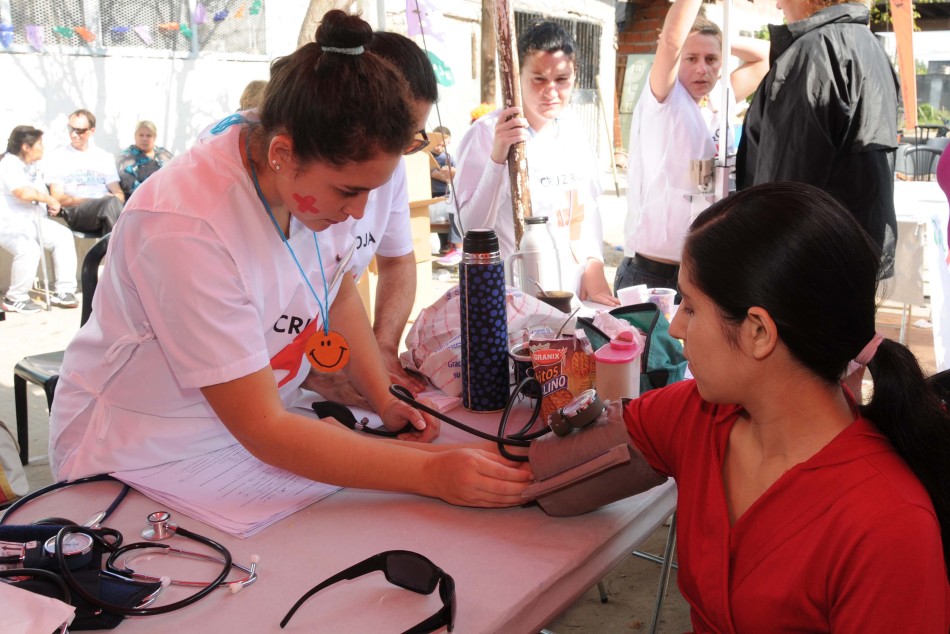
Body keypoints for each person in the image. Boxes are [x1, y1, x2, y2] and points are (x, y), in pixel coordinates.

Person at [49, 11, 531, 509]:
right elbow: (266, 430)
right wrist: (431, 473)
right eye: (349, 191)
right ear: (282, 152)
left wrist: (383, 396)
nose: (358, 213)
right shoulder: (187, 227)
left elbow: (335, 285)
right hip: (137, 458)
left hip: (241, 444)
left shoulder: (298, 174)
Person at [620, 182, 949, 630]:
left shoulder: (887, 525)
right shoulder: (696, 416)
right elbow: (557, 471)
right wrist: (495, 476)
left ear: (758, 331)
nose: (676, 327)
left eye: (691, 307)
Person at [302, 30, 436, 406]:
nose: (358, 210)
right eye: (347, 192)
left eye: (412, 138)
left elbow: (390, 264)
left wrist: (382, 350)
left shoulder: (390, 169)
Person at [453, 22, 618, 305]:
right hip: (511, 298)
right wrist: (497, 159)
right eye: (539, 79)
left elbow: (586, 210)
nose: (551, 91)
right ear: (517, 77)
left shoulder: (573, 131)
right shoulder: (486, 133)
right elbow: (470, 228)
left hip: (570, 297)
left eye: (562, 80)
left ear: (575, 76)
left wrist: (594, 262)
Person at [736, 0, 900, 277]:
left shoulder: (813, 53)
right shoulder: (870, 46)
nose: (777, 4)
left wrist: (760, 267)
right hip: (851, 254)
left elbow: (782, 187)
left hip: (806, 265)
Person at [619, 0, 768, 293]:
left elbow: (766, 57)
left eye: (711, 59)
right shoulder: (664, 99)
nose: (702, 69)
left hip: (701, 273)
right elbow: (673, 39)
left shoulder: (719, 101)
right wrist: (690, 36)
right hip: (653, 277)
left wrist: (721, 40)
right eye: (691, 58)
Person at [0, 126, 79, 313]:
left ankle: (65, 290)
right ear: (26, 147)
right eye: (39, 144)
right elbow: (22, 192)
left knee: (63, 236)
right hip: (9, 224)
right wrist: (49, 199)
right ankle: (15, 297)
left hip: (32, 222)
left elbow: (37, 192)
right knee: (30, 249)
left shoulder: (31, 166)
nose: (42, 148)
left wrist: (48, 203)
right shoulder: (9, 164)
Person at [46, 109, 124, 236]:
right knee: (111, 207)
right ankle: (122, 254)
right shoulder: (59, 157)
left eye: (79, 130)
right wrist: (94, 200)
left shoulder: (104, 156)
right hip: (77, 211)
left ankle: (112, 253)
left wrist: (110, 200)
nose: (73, 134)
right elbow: (57, 197)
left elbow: (119, 194)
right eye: (70, 129)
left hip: (106, 209)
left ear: (91, 131)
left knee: (114, 208)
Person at [116, 120, 174, 200]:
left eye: (148, 136)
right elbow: (130, 185)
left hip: (168, 198)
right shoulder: (126, 158)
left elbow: (176, 174)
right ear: (135, 136)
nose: (144, 139)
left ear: (155, 137)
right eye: (141, 135)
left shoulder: (164, 153)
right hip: (141, 201)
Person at [430, 126, 462, 265]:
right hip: (429, 194)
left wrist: (445, 174)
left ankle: (449, 246)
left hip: (444, 193)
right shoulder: (426, 156)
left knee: (448, 215)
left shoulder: (448, 158)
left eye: (444, 145)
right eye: (438, 144)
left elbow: (456, 176)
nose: (440, 147)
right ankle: (445, 245)